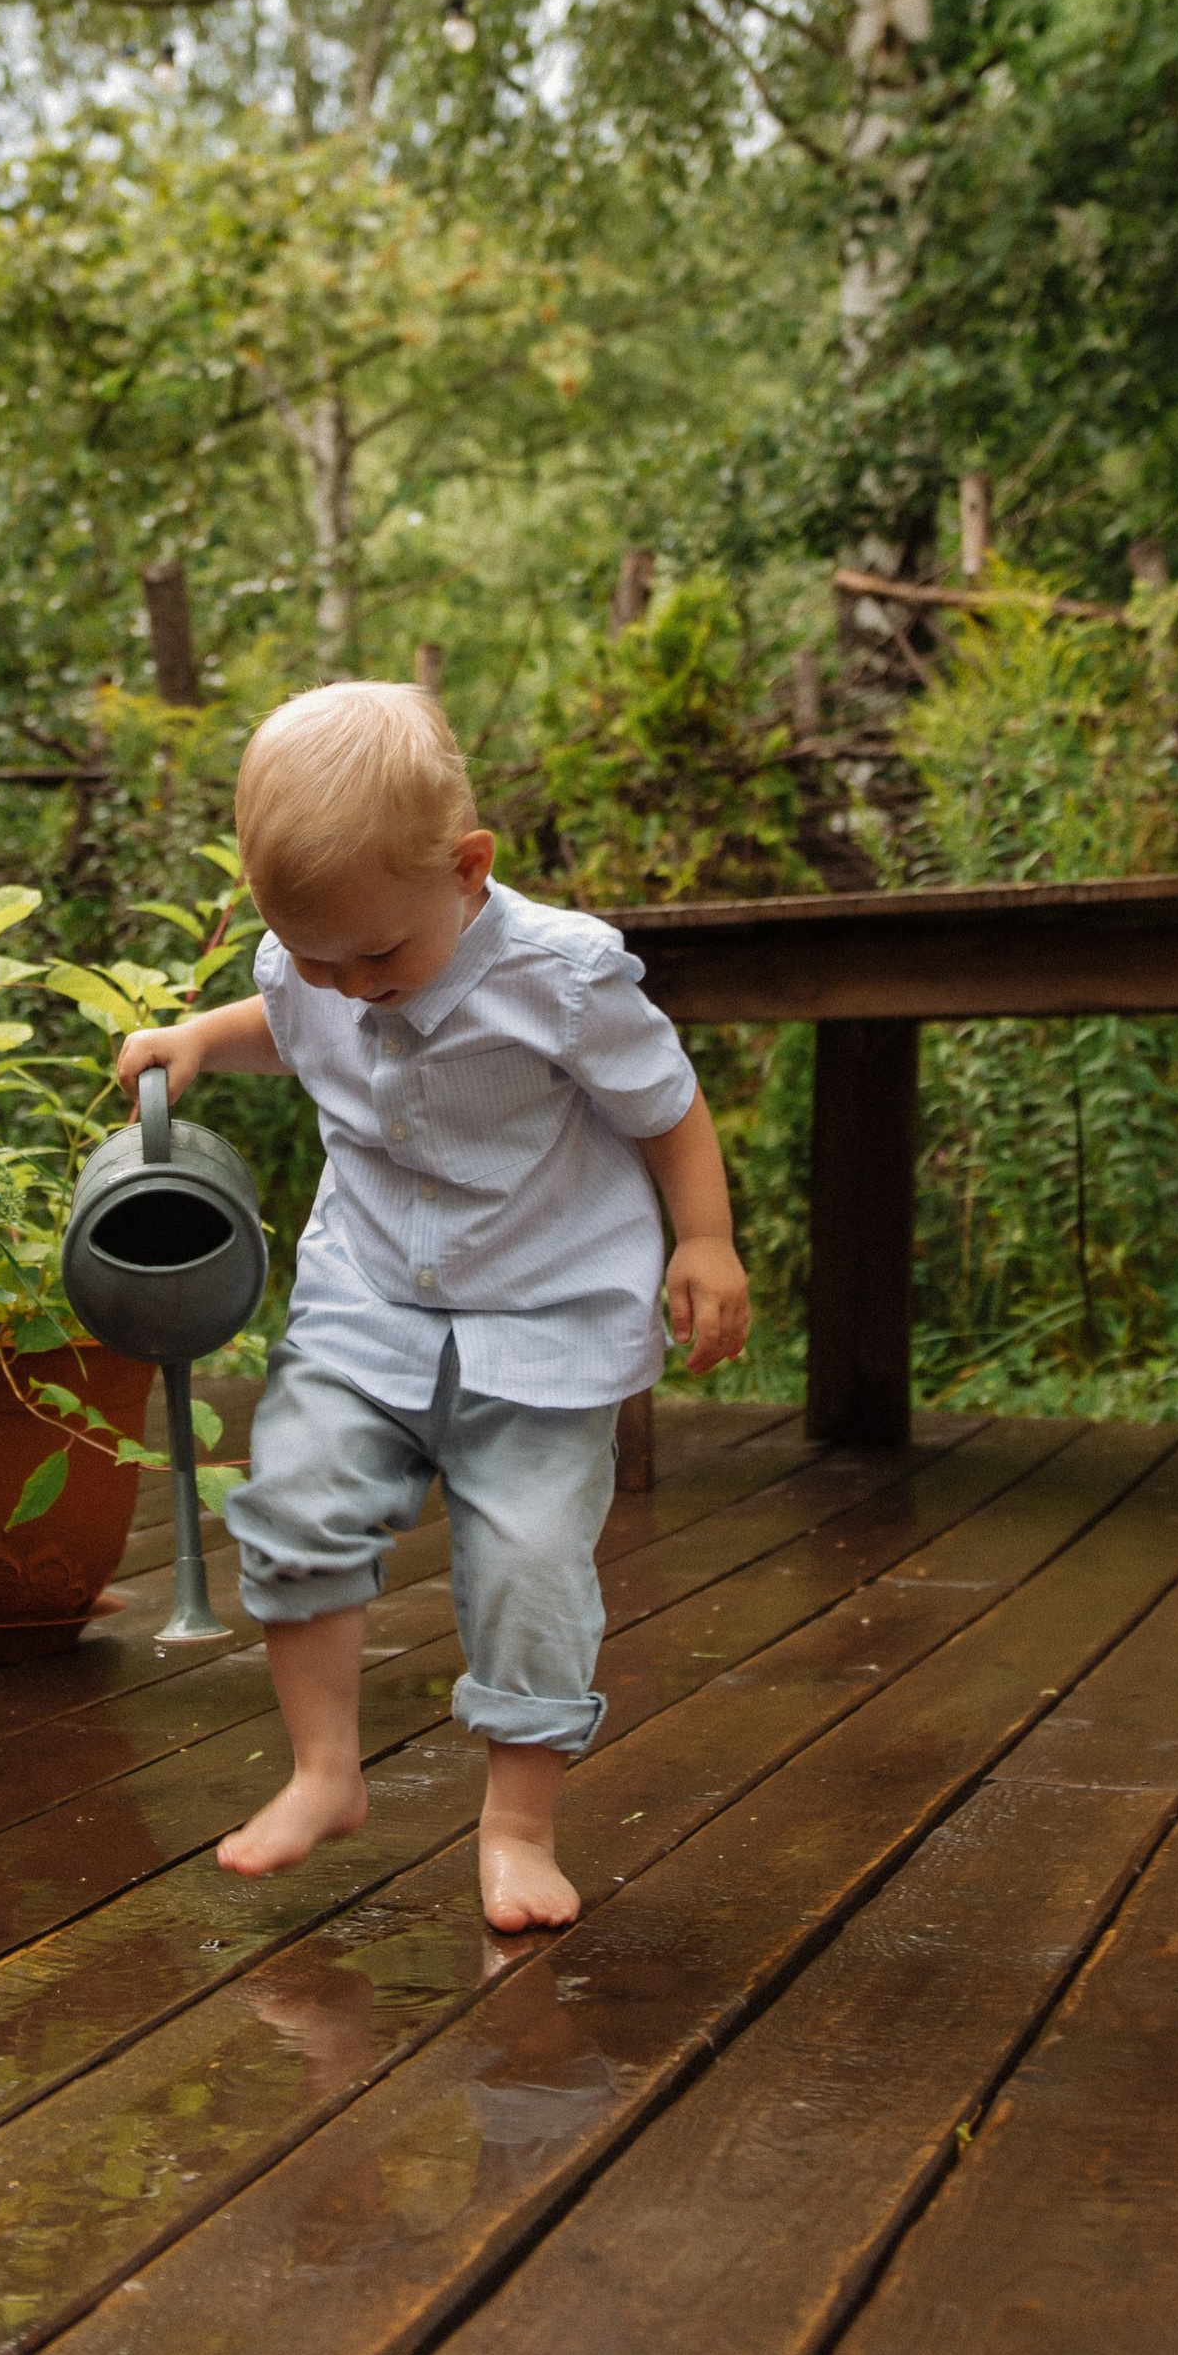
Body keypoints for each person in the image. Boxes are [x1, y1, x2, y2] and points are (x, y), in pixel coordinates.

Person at [117, 679, 750, 1933]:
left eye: (378, 957)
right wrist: (202, 1036)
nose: (350, 987)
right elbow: (291, 1025)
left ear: (468, 869)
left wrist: (707, 1240)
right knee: (296, 1502)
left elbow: (666, 1106)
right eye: (314, 957)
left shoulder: (561, 977)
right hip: (370, 1292)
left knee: (525, 1559)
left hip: (545, 1308)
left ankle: (516, 1824)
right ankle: (323, 1772)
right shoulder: (321, 968)